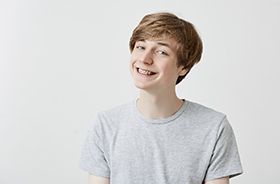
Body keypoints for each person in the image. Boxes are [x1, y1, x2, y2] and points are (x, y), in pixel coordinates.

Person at [80, 12, 243, 184]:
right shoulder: (106, 125)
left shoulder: (214, 127)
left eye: (161, 52)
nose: (144, 59)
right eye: (141, 47)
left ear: (184, 67)